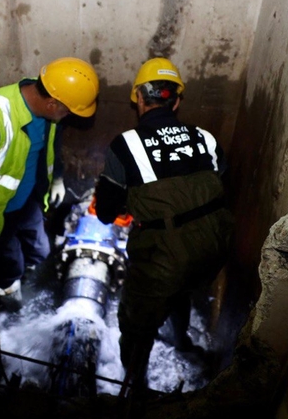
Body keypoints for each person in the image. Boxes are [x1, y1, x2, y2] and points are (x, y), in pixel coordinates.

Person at [92, 57, 234, 393]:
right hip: (215, 244)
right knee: (182, 288)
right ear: (177, 100)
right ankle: (180, 338)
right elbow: (218, 183)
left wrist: (132, 205)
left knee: (136, 320)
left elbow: (105, 213)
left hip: (165, 255)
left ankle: (135, 383)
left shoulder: (125, 145)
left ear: (139, 98)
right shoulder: (207, 138)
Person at [0, 57, 100, 310]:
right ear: (53, 103)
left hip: (28, 201)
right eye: (67, 111)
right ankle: (8, 299)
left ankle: (28, 277)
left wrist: (57, 179)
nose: (67, 117)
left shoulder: (48, 110)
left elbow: (51, 146)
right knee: (11, 265)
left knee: (41, 251)